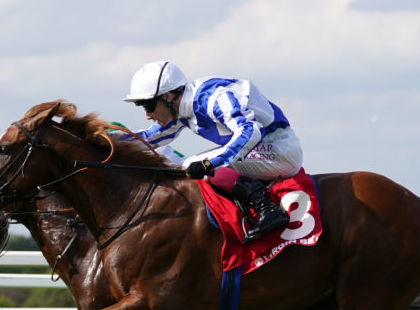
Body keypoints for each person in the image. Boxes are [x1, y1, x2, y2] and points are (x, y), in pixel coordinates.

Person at [123, 61, 304, 242]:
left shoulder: (211, 98)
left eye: (148, 106)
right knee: (182, 162)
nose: (148, 115)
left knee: (191, 164)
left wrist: (209, 164)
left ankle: (266, 207)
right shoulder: (181, 107)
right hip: (261, 150)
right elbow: (148, 138)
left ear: (168, 96)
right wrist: (103, 137)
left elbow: (249, 132)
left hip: (280, 150)